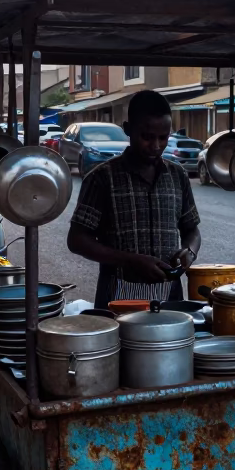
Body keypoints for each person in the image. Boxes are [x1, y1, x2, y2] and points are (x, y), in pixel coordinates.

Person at [67, 90, 202, 307]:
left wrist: (190, 252)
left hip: (170, 295)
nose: (156, 146)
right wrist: (132, 260)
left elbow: (192, 229)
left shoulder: (178, 175)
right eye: (147, 137)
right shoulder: (102, 178)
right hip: (118, 295)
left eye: (163, 137)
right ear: (128, 130)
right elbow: (77, 240)